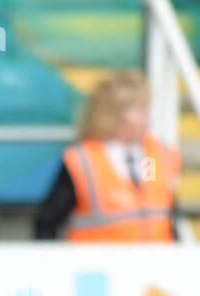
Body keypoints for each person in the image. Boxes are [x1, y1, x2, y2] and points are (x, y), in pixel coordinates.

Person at [36, 70, 180, 241]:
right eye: (139, 110)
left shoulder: (154, 156)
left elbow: (160, 210)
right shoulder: (84, 160)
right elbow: (47, 222)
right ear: (113, 115)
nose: (147, 119)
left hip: (155, 264)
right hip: (99, 264)